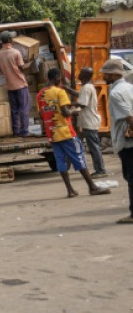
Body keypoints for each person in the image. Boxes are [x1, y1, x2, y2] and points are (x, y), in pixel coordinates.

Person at [36, 68, 111, 198]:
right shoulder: (59, 92)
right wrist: (74, 112)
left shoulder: (40, 94)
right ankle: (92, 187)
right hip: (66, 132)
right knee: (79, 158)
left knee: (61, 161)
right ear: (58, 78)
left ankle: (70, 190)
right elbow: (65, 112)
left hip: (52, 134)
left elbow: (41, 114)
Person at [102, 58, 133, 224]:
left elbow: (129, 116)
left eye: (105, 74)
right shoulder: (129, 87)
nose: (103, 77)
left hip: (128, 142)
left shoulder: (116, 93)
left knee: (131, 177)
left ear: (113, 75)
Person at [0, 31, 40, 137]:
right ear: (10, 40)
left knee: (14, 110)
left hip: (10, 86)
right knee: (24, 108)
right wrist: (31, 60)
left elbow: (1, 70)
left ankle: (16, 131)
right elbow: (22, 68)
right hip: (20, 85)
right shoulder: (16, 52)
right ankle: (24, 131)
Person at [75, 67, 108, 178]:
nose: (78, 74)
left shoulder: (86, 88)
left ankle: (100, 170)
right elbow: (80, 96)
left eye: (81, 72)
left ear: (84, 75)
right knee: (94, 147)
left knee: (94, 147)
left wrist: (68, 105)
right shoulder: (87, 87)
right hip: (90, 121)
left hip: (89, 122)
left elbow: (82, 104)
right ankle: (100, 169)